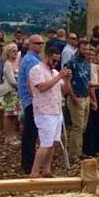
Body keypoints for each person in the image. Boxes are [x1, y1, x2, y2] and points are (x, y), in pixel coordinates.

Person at [29, 47, 71, 177]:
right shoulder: (36, 70)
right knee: (45, 143)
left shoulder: (54, 72)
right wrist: (59, 76)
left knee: (52, 143)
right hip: (44, 112)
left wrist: (67, 79)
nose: (55, 63)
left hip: (56, 111)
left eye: (57, 61)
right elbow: (42, 87)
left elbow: (65, 91)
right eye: (53, 60)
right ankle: (34, 172)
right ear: (47, 56)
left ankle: (47, 170)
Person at [18, 34, 44, 172]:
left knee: (31, 131)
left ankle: (29, 162)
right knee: (30, 132)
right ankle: (28, 164)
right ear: (31, 45)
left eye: (42, 43)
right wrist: (36, 99)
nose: (41, 45)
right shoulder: (30, 61)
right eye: (38, 43)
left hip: (31, 100)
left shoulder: (34, 59)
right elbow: (31, 82)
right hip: (31, 100)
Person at [65, 39, 93, 161]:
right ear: (78, 49)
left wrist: (91, 99)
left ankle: (79, 150)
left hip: (86, 97)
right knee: (77, 126)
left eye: (88, 49)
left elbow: (88, 82)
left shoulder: (87, 64)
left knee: (83, 126)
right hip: (76, 97)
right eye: (84, 49)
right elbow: (68, 82)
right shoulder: (71, 63)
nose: (86, 51)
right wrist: (73, 97)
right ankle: (73, 154)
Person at [83, 45, 99, 157]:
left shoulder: (97, 67)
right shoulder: (83, 66)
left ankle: (98, 146)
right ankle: (89, 148)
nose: (90, 56)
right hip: (87, 95)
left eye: (92, 54)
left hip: (97, 93)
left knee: (98, 121)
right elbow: (85, 84)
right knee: (89, 122)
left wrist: (91, 84)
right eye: (88, 54)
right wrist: (90, 86)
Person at [0, 42, 21, 145]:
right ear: (7, 53)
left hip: (17, 94)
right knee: (9, 115)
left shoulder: (17, 63)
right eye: (13, 51)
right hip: (11, 93)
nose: (15, 53)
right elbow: (12, 81)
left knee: (14, 116)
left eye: (16, 51)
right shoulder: (8, 64)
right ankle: (8, 137)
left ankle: (13, 135)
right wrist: (21, 88)